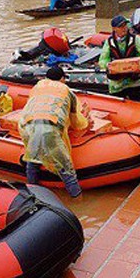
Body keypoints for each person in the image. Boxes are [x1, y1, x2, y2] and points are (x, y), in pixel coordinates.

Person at [19, 66, 90, 197]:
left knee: (32, 160)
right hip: (49, 129)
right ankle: (77, 198)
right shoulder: (67, 91)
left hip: (27, 127)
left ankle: (33, 193)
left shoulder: (37, 88)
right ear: (62, 79)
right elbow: (76, 121)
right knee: (67, 169)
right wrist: (86, 122)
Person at [98, 15, 140, 100]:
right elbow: (102, 60)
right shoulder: (109, 42)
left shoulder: (136, 40)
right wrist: (109, 66)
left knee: (137, 103)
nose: (124, 28)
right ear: (114, 29)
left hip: (134, 81)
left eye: (125, 25)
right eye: (120, 26)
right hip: (117, 83)